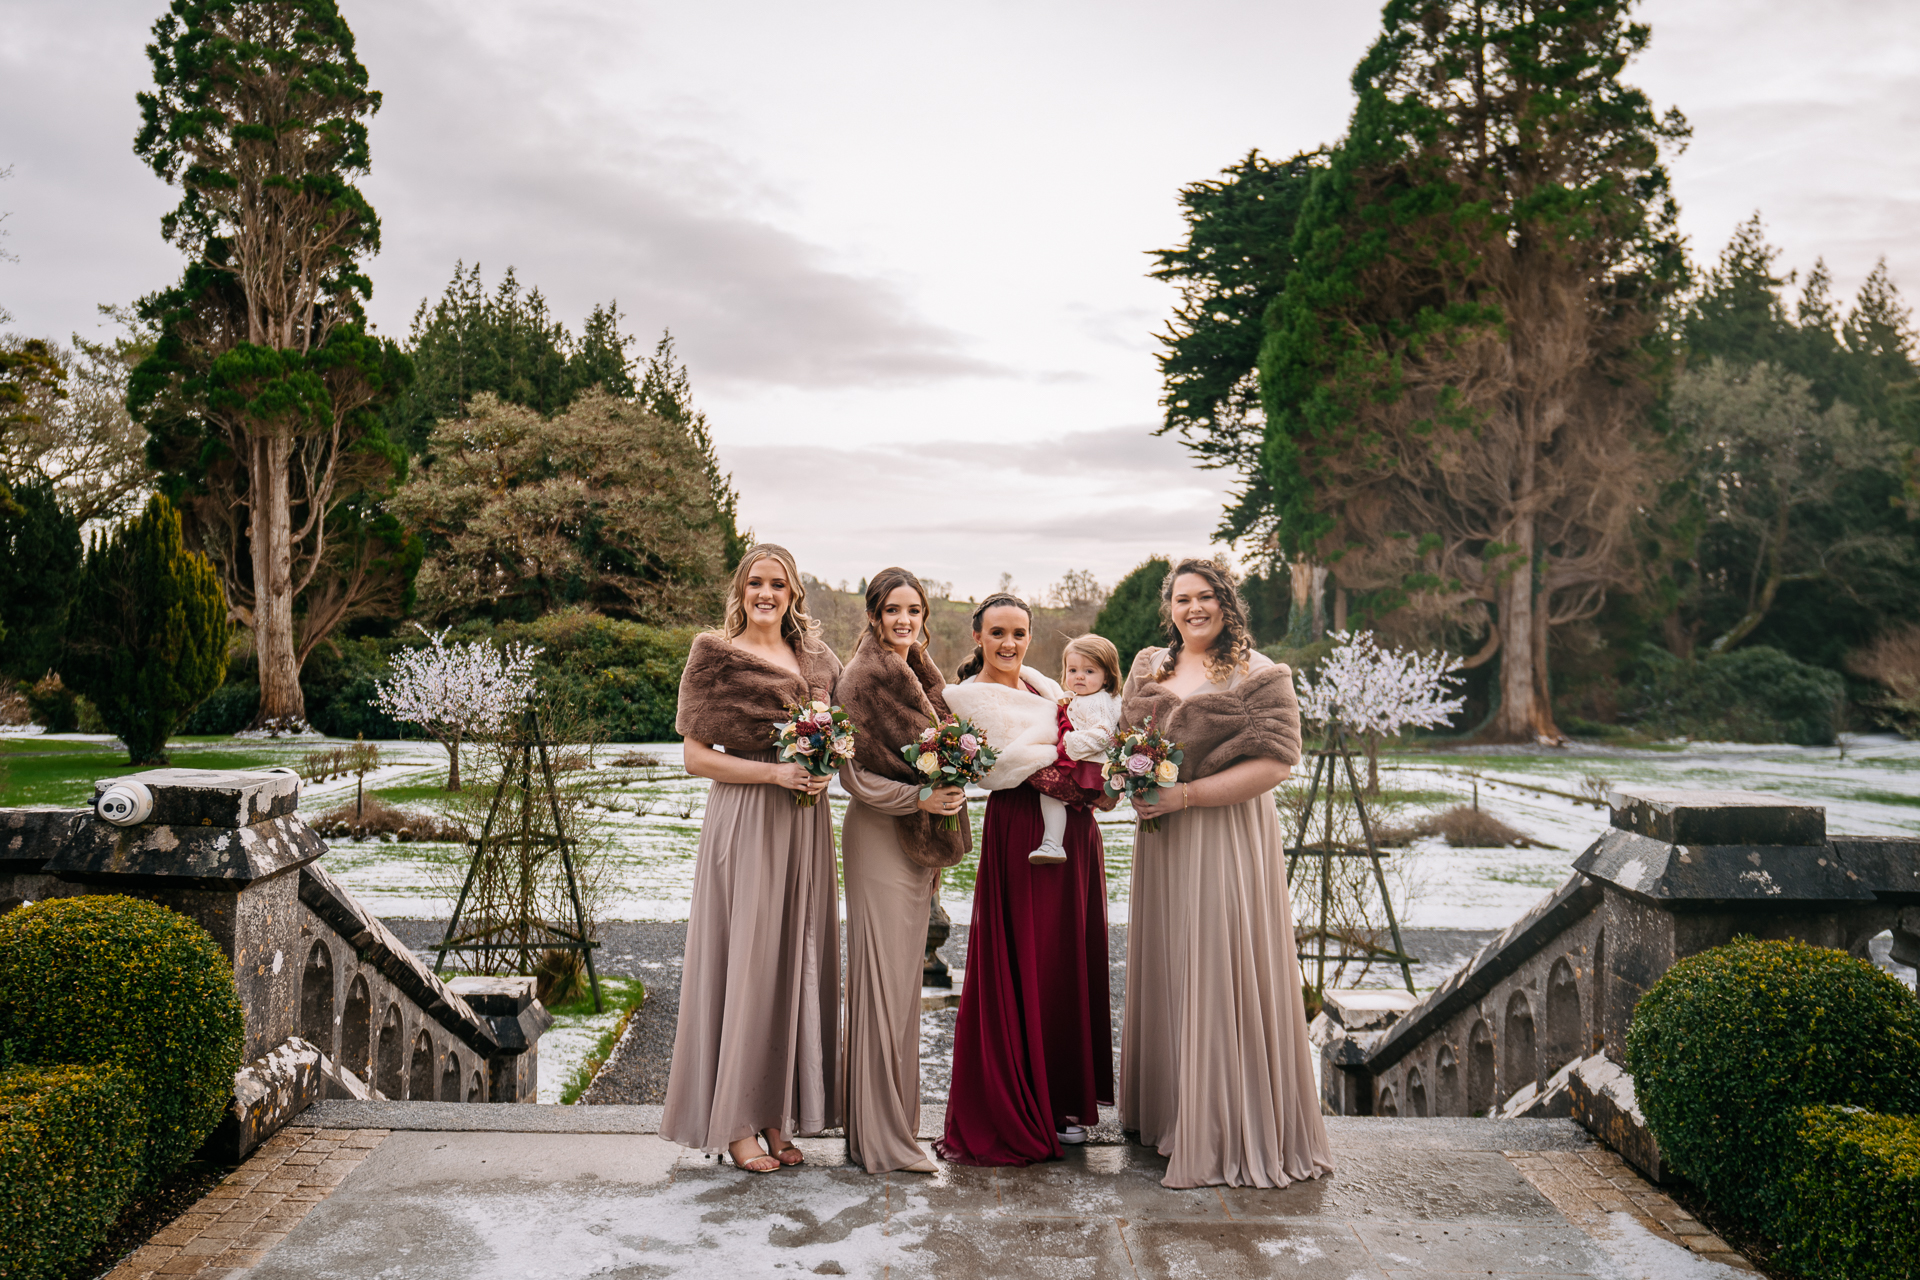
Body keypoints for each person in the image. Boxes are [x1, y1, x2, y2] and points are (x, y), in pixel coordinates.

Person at [1118, 557, 1334, 1189]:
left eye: (1205, 597)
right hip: (1161, 838)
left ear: (1226, 602)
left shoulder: (1260, 672)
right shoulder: (1149, 667)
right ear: (1170, 607)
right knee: (1171, 958)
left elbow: (1277, 765)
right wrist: (1126, 780)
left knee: (1218, 959)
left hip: (1224, 832)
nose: (1193, 609)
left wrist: (1187, 796)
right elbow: (1124, 743)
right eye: (1182, 599)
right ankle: (1170, 1113)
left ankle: (1223, 1129)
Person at [661, 544, 844, 1174]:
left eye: (779, 585)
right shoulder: (713, 656)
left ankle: (775, 1115)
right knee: (747, 960)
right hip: (747, 813)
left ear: (794, 594)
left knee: (792, 961)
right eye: (756, 583)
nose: (767, 594)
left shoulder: (819, 659)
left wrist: (823, 770)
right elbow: (695, 757)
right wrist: (774, 777)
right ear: (741, 590)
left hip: (806, 821)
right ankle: (735, 1122)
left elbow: (841, 734)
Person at [936, 594, 1113, 1165]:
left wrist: (1104, 778)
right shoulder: (967, 698)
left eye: (1018, 633)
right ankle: (1021, 1100)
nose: (1008, 643)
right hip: (1021, 831)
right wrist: (1080, 779)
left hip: (1076, 837)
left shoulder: (1048, 687)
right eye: (997, 633)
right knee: (1027, 956)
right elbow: (1005, 766)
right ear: (978, 637)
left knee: (1067, 957)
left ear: (1029, 638)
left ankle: (1066, 1101)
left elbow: (1087, 738)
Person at [832, 567, 971, 1175]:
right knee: (881, 986)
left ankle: (894, 1128)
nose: (904, 620)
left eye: (914, 611)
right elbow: (852, 777)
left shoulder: (924, 678)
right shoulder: (862, 679)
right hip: (880, 836)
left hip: (917, 844)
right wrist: (917, 800)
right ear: (873, 615)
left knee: (904, 991)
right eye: (893, 610)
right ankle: (879, 1138)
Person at [1028, 634, 1124, 865]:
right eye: (1072, 670)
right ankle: (1055, 842)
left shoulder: (1098, 701)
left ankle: (1053, 843)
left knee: (1049, 792)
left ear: (1107, 677)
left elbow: (1104, 735)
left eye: (1089, 671)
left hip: (1089, 766)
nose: (1079, 676)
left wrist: (1071, 744)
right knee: (1057, 799)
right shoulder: (1088, 697)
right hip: (1089, 765)